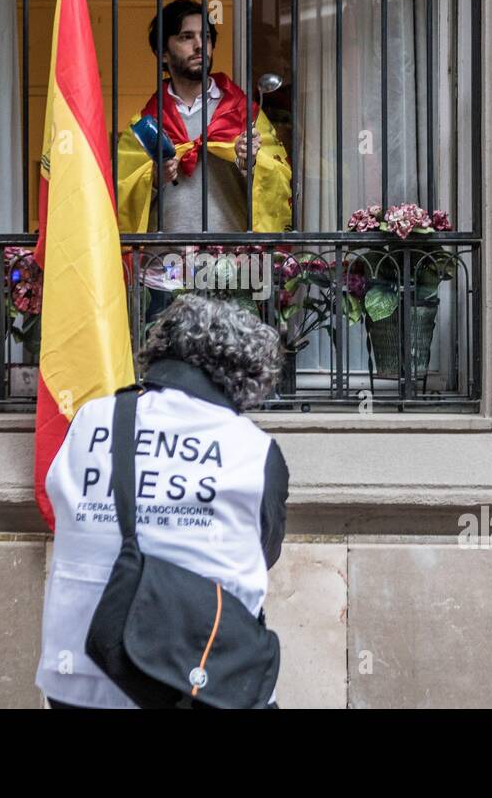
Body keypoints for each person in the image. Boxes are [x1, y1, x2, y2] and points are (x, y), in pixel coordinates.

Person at [35, 295, 291, 709]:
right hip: (202, 682)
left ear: (160, 350)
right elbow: (266, 550)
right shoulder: (252, 449)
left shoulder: (89, 420)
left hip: (77, 679)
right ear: (247, 376)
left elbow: (63, 504)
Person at [114, 0, 293, 322]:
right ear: (164, 53)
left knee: (230, 369)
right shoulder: (144, 122)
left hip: (230, 272)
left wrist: (250, 163)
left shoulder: (243, 113)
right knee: (164, 368)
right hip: (162, 275)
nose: (200, 45)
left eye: (206, 37)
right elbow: (118, 191)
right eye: (186, 37)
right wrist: (153, 180)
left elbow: (279, 179)